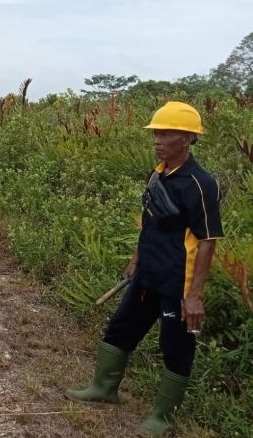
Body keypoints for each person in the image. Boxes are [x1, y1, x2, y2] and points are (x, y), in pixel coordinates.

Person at [65, 101, 223, 437]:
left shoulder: (200, 183)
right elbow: (149, 220)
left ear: (187, 138)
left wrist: (194, 295)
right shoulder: (158, 172)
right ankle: (104, 389)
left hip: (177, 281)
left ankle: (162, 419)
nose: (157, 139)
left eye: (165, 133)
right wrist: (137, 256)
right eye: (155, 132)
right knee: (121, 327)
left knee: (176, 347)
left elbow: (208, 241)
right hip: (147, 272)